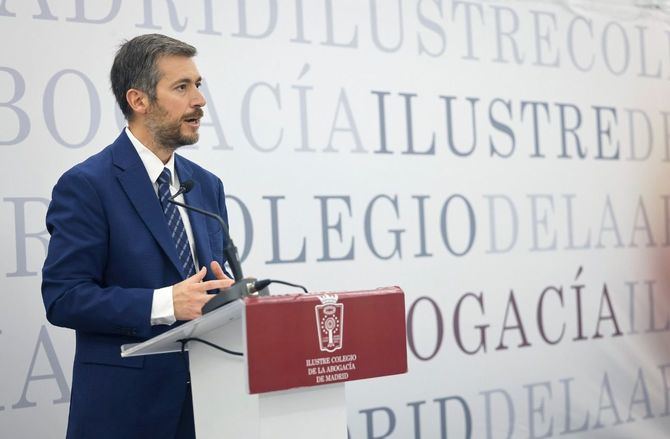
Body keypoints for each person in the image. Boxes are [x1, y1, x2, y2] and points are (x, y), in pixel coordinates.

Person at [41, 33, 234, 439]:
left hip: (212, 405)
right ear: (139, 100)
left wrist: (229, 297)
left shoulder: (207, 185)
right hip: (126, 414)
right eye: (182, 87)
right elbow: (64, 298)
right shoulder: (88, 185)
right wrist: (165, 302)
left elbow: (208, 289)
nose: (199, 100)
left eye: (198, 86)